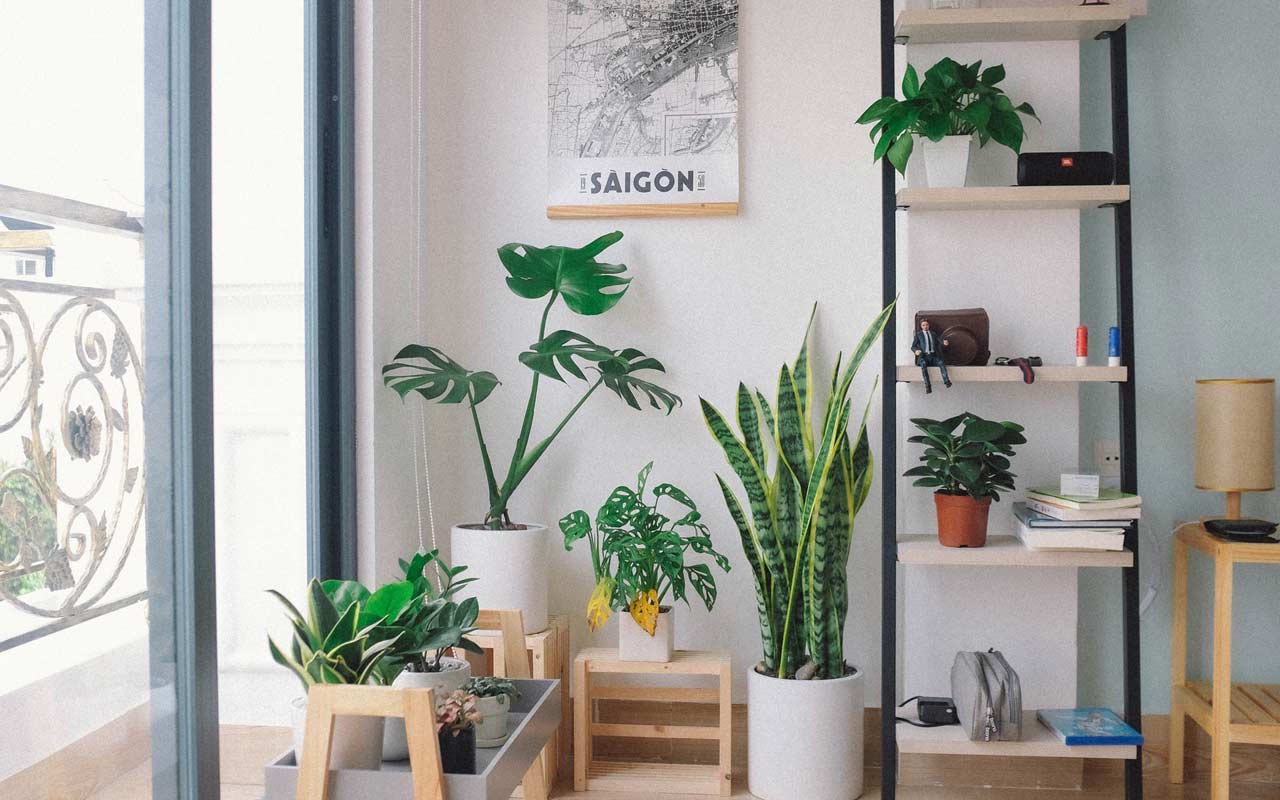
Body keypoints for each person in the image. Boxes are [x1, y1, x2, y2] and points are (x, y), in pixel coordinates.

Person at [911, 319, 952, 393]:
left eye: (926, 325)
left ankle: (946, 381)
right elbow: (913, 346)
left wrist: (944, 342)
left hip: (933, 356)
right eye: (923, 325)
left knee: (941, 363)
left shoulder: (933, 334)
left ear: (928, 325)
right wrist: (916, 351)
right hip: (923, 356)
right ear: (921, 326)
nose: (925, 326)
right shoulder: (918, 335)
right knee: (923, 365)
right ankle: (927, 385)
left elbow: (939, 340)